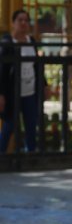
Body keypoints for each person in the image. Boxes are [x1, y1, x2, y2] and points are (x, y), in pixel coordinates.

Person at [0, 8, 41, 153]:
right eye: (20, 20)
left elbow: (37, 65)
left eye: (26, 20)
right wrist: (1, 94)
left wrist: (44, 84)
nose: (23, 23)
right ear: (13, 23)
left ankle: (30, 155)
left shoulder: (32, 41)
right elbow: (2, 71)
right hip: (12, 93)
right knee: (9, 126)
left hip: (30, 92)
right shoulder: (7, 43)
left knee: (31, 125)